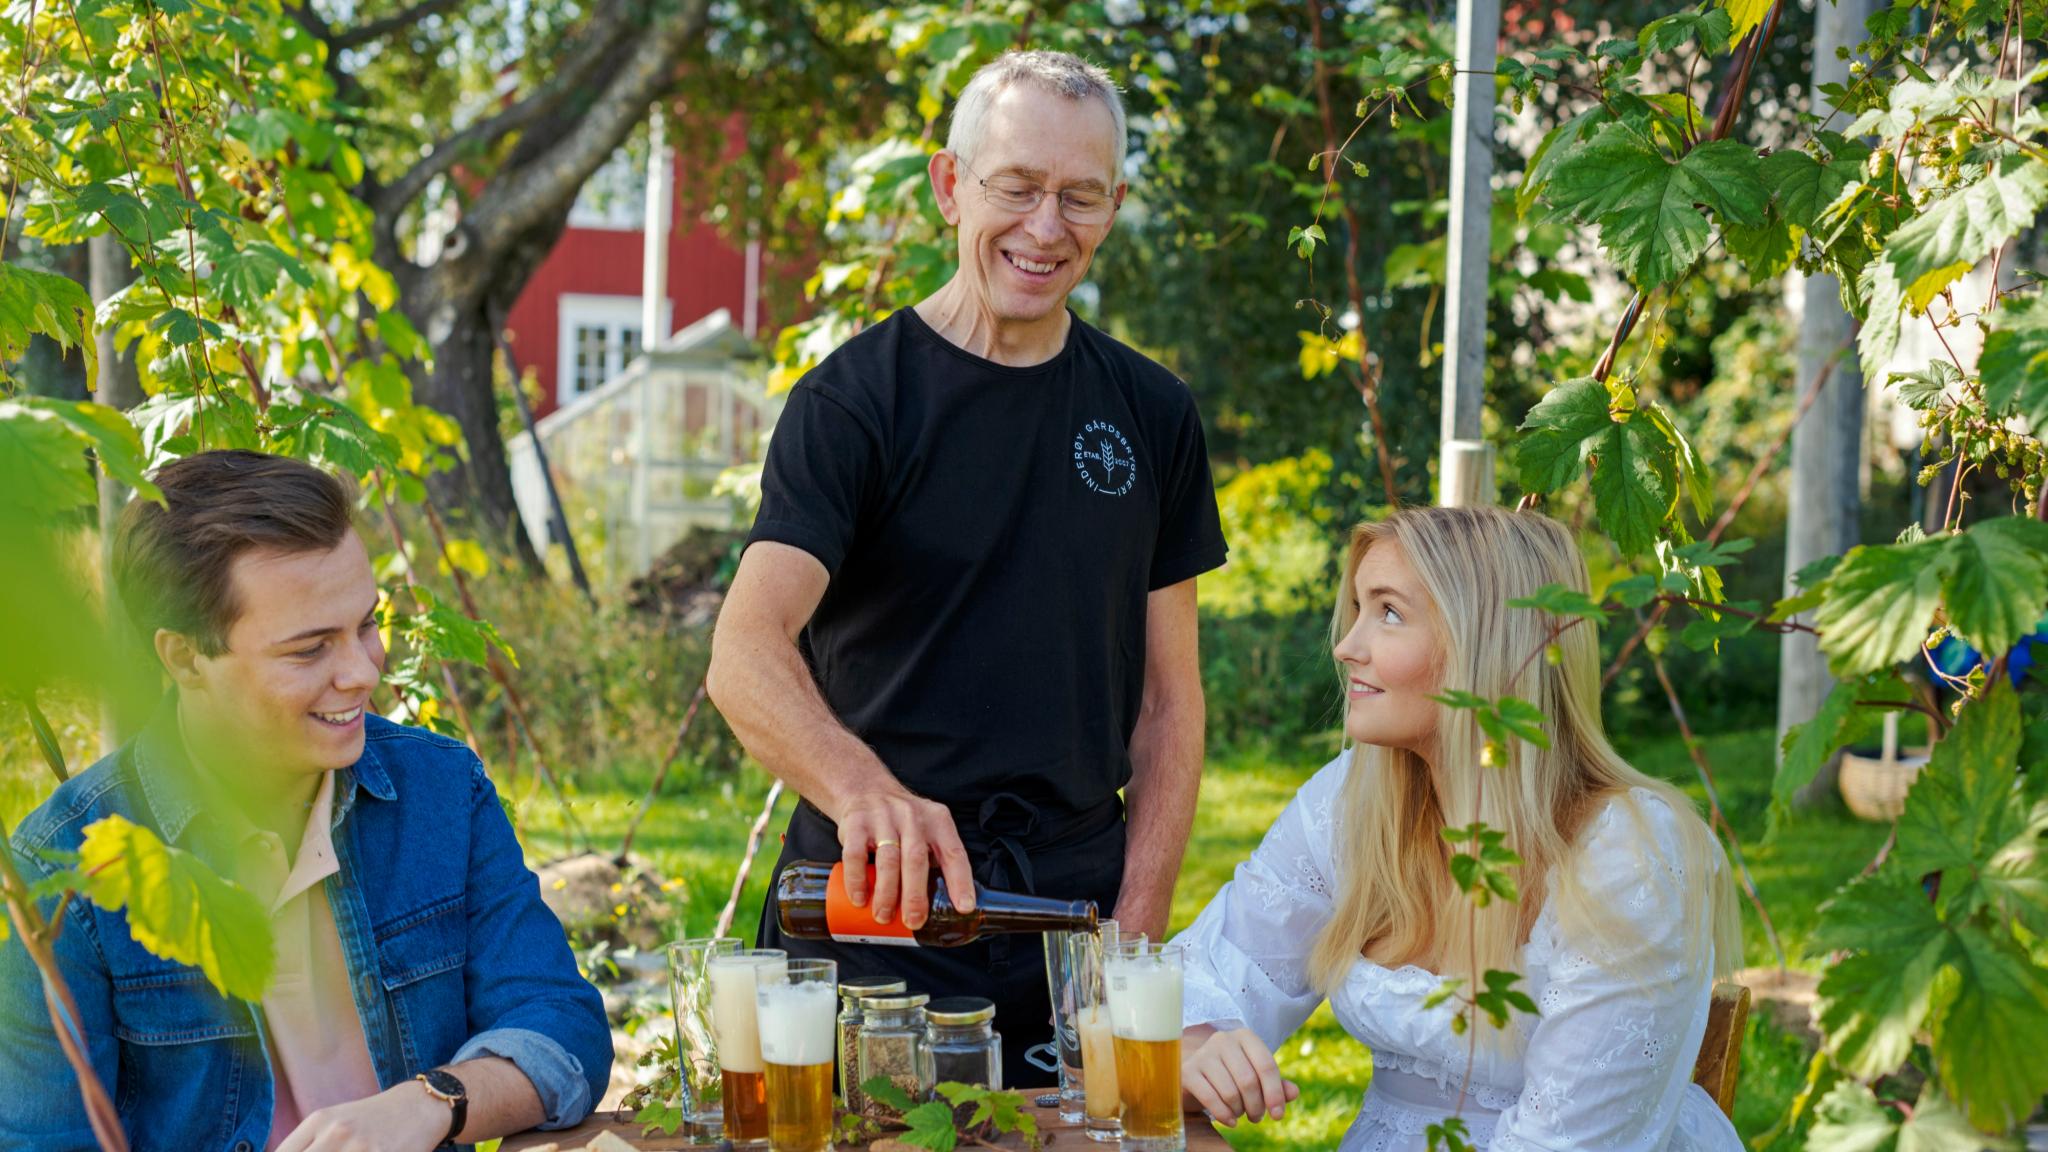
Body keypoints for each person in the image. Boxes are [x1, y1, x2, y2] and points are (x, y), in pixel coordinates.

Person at [708, 49, 1227, 1085]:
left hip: (1066, 918)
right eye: (1016, 188)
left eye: (1079, 197)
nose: (1045, 229)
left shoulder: (1151, 413)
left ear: (1113, 207)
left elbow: (1170, 708)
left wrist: (1130, 931)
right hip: (869, 912)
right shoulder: (855, 405)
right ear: (950, 186)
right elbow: (742, 653)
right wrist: (862, 790)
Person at [0, 450, 612, 1151]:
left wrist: (430, 1102)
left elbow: (562, 1024)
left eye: (367, 626)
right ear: (184, 658)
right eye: (308, 650)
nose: (359, 672)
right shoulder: (65, 872)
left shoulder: (441, 791)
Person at [1172, 506, 1744, 1151]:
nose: (1347, 645)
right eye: (1359, 608)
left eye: (1388, 612)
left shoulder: (1627, 854)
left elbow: (1567, 1144)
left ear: (1486, 644)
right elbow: (1209, 971)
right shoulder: (1355, 799)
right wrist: (1194, 1046)